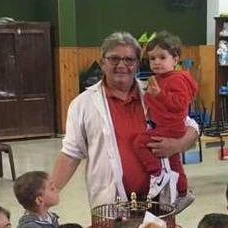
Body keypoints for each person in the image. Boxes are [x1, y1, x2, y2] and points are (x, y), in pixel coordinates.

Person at [50, 32, 199, 211]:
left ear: (137, 63)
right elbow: (71, 153)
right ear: (102, 62)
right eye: (114, 59)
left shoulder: (152, 93)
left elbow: (191, 126)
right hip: (112, 203)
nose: (122, 65)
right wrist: (50, 191)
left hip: (159, 201)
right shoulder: (83, 104)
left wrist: (178, 145)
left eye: (129, 59)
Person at [133, 31, 198, 204]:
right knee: (174, 160)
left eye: (162, 57)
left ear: (175, 60)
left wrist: (159, 95)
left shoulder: (175, 79)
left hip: (170, 126)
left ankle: (157, 174)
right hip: (168, 125)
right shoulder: (161, 79)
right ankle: (183, 192)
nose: (156, 62)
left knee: (139, 143)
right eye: (152, 58)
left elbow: (180, 104)